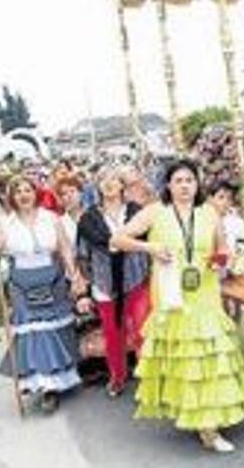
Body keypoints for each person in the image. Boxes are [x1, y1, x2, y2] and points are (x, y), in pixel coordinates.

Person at [112, 158, 244, 453]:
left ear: (197, 183)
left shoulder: (209, 213)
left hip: (205, 292)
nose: (185, 185)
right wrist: (149, 247)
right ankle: (205, 425)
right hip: (172, 294)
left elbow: (222, 247)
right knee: (188, 359)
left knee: (209, 356)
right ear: (168, 185)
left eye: (190, 180)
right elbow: (118, 239)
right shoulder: (155, 212)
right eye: (178, 180)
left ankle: (209, 422)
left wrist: (220, 260)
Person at [0, 175, 85, 413]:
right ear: (12, 197)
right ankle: (43, 384)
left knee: (53, 328)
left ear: (35, 193)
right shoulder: (5, 223)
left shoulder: (51, 218)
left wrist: (73, 274)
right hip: (21, 282)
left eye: (28, 190)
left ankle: (57, 380)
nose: (24, 195)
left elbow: (65, 248)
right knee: (33, 331)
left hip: (51, 277)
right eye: (18, 192)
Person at [76, 168, 151, 397]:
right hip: (105, 284)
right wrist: (92, 281)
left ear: (122, 185)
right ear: (97, 187)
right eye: (103, 180)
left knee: (142, 330)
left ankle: (150, 375)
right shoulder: (88, 219)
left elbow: (148, 241)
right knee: (113, 334)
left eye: (113, 180)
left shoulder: (136, 211)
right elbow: (82, 253)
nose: (108, 184)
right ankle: (117, 376)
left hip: (136, 278)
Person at [207, 181, 244, 259]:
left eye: (229, 198)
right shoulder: (201, 220)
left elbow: (243, 250)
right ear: (210, 199)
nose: (225, 202)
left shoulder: (238, 223)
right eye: (221, 197)